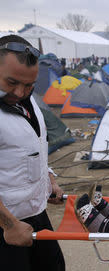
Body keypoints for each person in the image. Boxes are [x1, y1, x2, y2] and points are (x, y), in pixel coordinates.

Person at [0, 35, 65, 270]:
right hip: (6, 224)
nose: (20, 92)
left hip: (36, 213)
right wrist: (8, 225)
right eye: (11, 82)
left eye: (29, 85)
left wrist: (48, 180)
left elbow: (32, 148)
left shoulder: (27, 100)